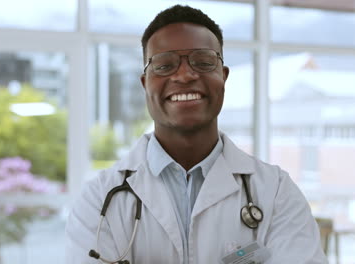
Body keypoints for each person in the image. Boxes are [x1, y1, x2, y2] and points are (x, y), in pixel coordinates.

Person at [66, 5, 327, 264]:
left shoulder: (276, 192)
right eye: (165, 65)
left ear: (223, 77)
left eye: (203, 62)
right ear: (146, 84)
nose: (185, 75)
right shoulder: (99, 199)